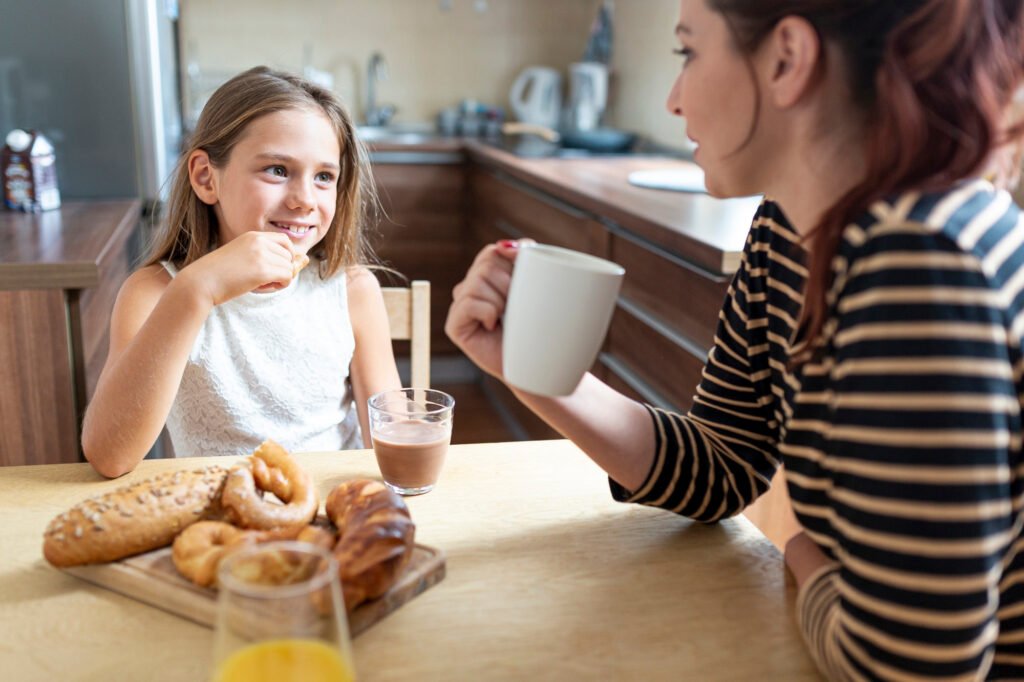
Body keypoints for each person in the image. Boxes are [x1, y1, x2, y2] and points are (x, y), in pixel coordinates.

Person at [446, 0, 1024, 678]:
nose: (671, 98)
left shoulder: (919, 264)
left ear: (786, 60)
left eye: (688, 52)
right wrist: (534, 368)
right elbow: (723, 465)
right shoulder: (788, 227)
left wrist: (803, 558)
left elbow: (906, 667)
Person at [82, 66, 401, 478]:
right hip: (216, 521)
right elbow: (110, 457)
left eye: (324, 177)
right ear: (205, 177)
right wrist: (197, 288)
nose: (305, 199)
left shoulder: (352, 290)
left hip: (330, 515)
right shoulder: (155, 292)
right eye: (278, 170)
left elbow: (393, 434)